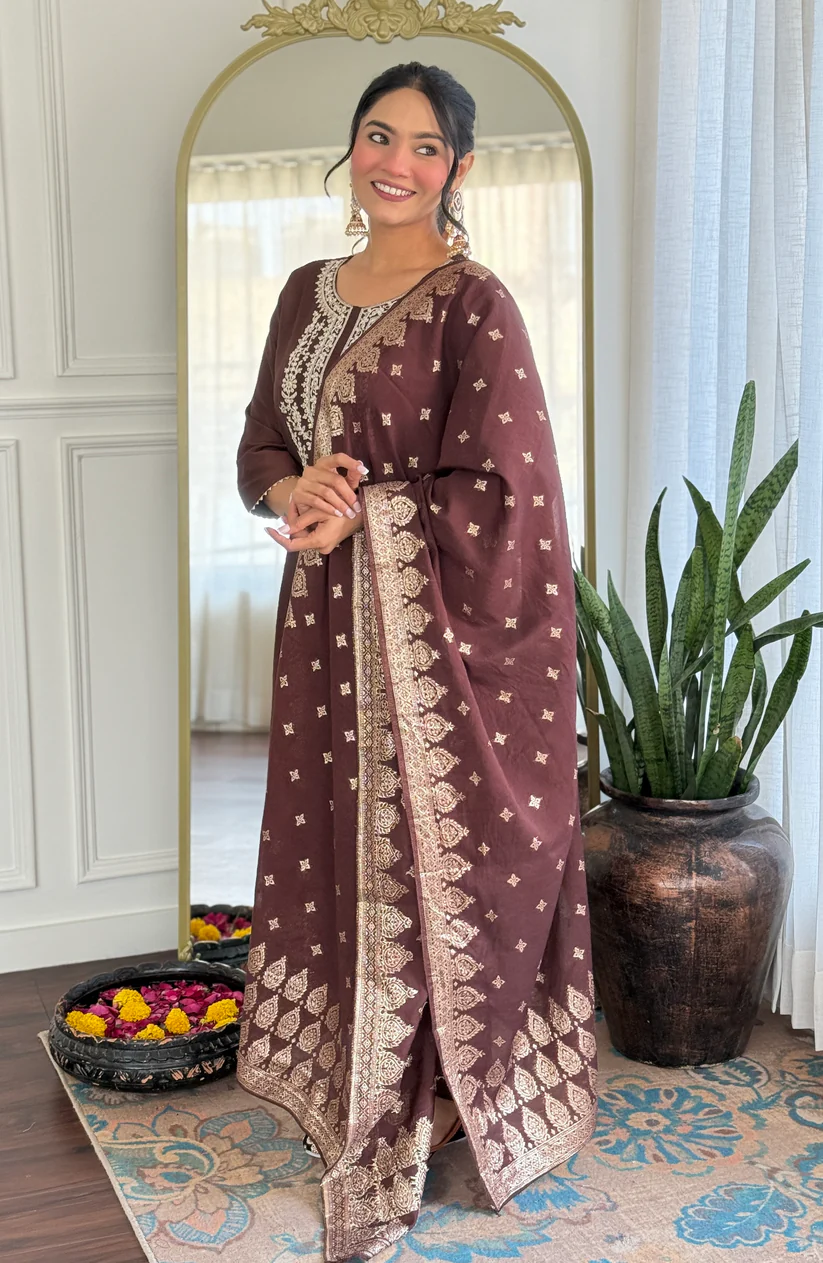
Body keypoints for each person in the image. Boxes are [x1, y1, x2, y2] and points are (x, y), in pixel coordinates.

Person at [234, 60, 597, 1262]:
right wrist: (293, 488)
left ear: (460, 168)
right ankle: (347, 1061)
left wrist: (367, 515)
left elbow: (503, 492)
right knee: (335, 839)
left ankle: (435, 1091)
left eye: (425, 147)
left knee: (420, 853)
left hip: (428, 641)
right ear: (352, 148)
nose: (396, 162)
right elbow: (261, 444)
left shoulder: (472, 301)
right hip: (323, 631)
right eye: (377, 137)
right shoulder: (304, 290)